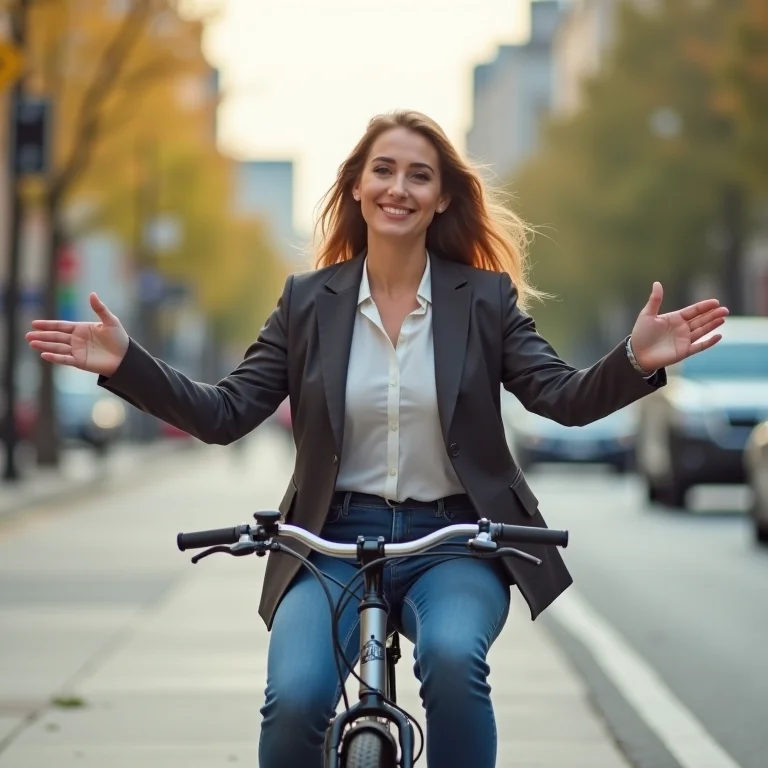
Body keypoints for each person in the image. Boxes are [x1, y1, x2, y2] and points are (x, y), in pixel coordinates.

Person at [26, 110, 728, 768]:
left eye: (419, 175)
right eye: (383, 170)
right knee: (295, 699)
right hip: (329, 539)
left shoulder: (484, 300)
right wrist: (128, 364)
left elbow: (562, 399)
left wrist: (633, 360)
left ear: (443, 199)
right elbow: (225, 413)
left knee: (453, 661)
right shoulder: (307, 302)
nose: (399, 188)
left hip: (455, 541)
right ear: (357, 187)